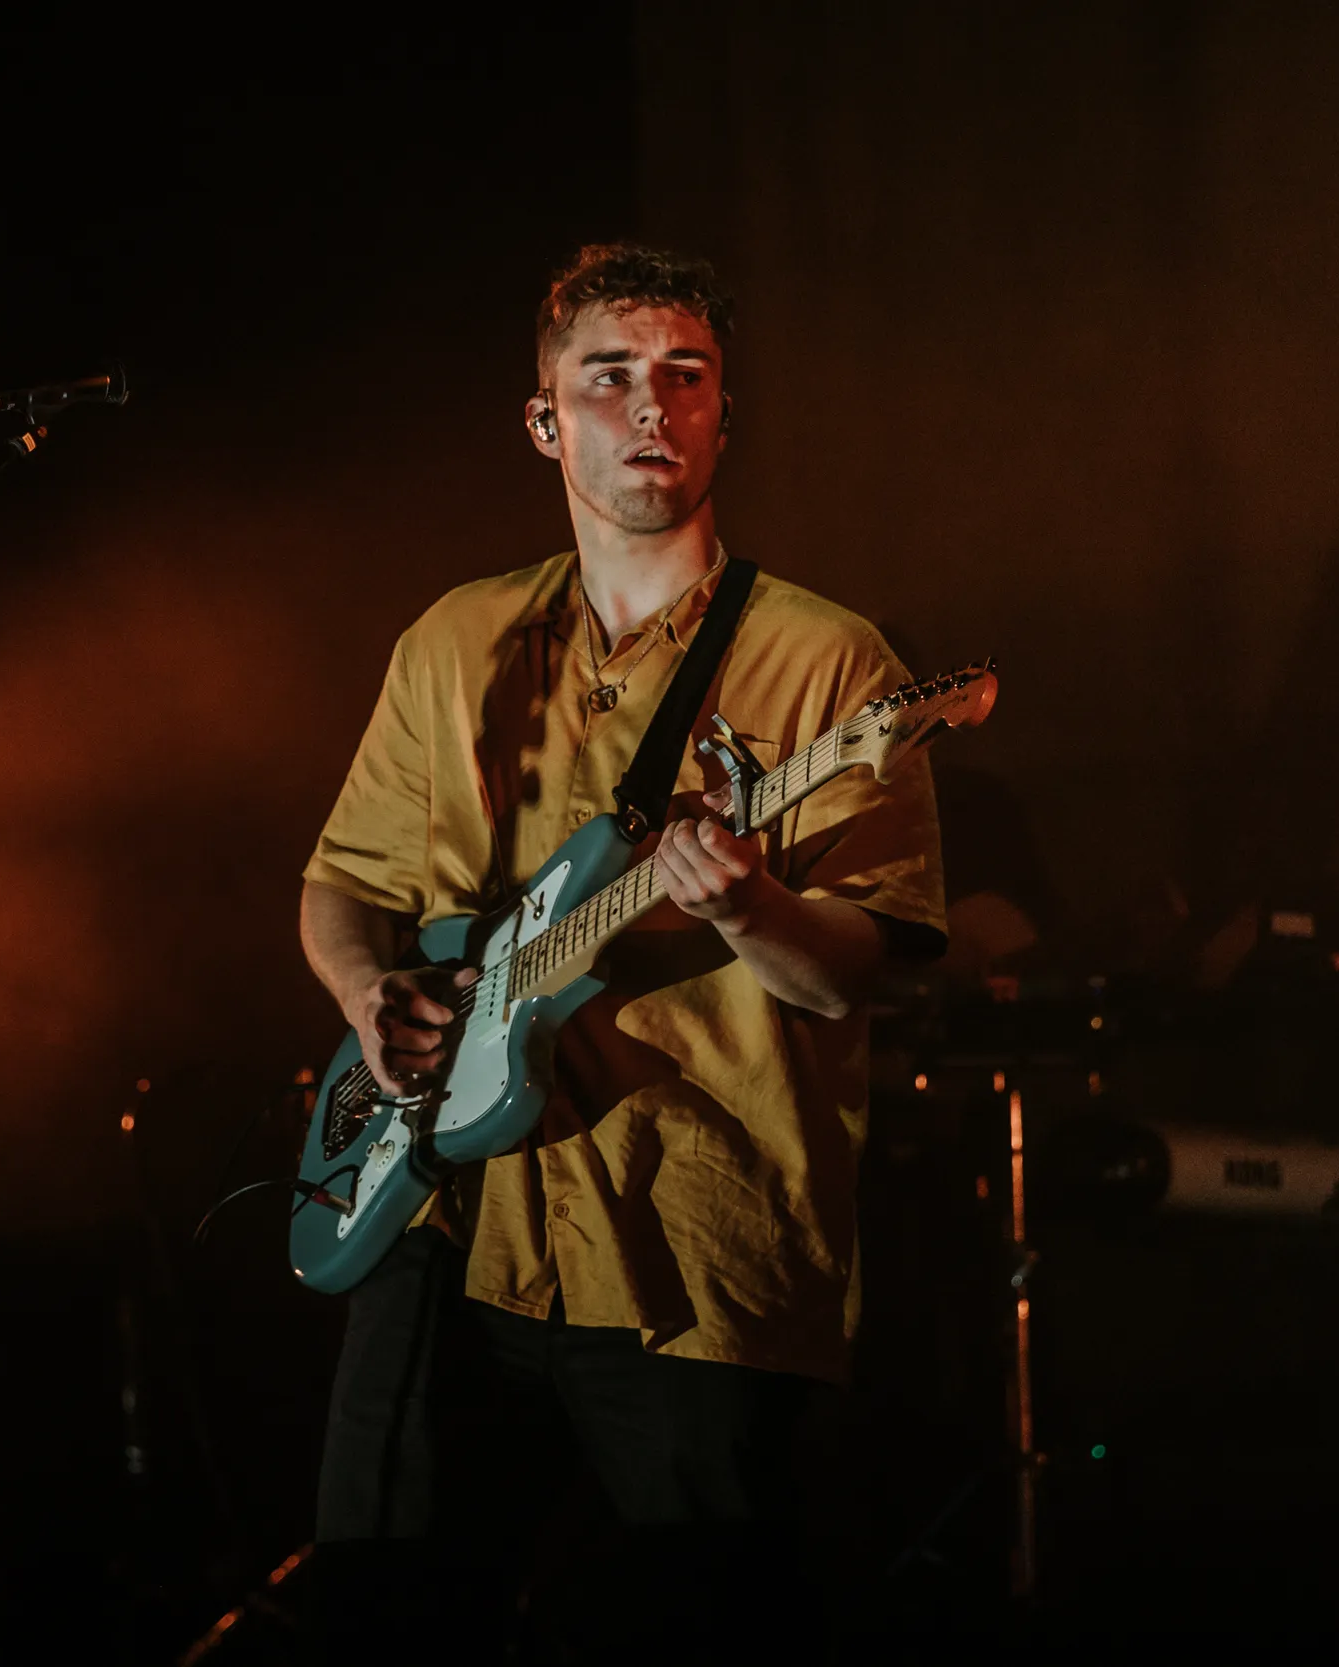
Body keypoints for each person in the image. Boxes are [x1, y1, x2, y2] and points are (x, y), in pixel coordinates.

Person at [296, 244, 946, 1660]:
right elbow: (342, 880)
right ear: (545, 418)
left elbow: (856, 969)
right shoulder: (454, 640)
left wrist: (747, 908)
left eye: (685, 376)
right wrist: (369, 993)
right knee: (377, 1610)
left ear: (724, 412)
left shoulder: (831, 663)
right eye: (611, 377)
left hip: (689, 1253)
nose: (651, 406)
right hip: (446, 1229)